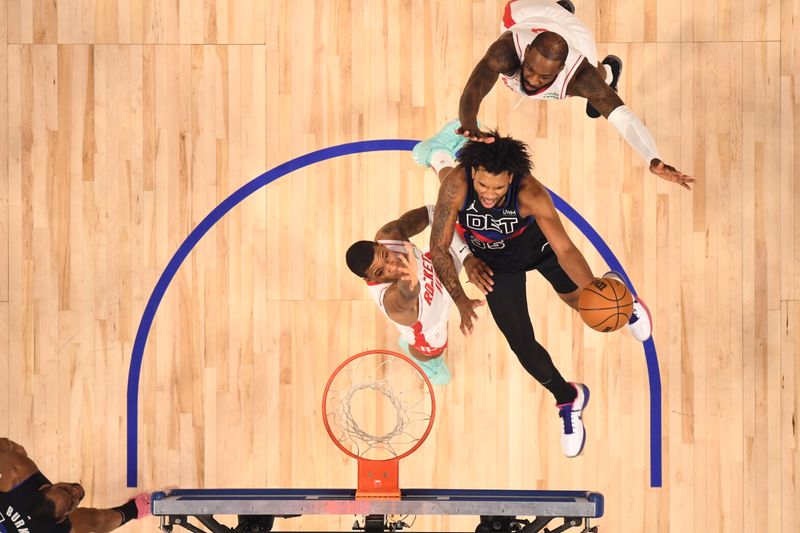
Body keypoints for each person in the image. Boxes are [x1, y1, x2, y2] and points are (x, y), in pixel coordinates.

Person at [413, 123, 652, 457]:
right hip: (495, 265)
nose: (489, 193)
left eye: (497, 187)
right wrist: (462, 294)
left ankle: (619, 297)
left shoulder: (531, 193)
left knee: (583, 302)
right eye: (482, 183)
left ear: (511, 177)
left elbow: (566, 250)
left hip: (538, 249)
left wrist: (594, 290)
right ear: (472, 171)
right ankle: (568, 398)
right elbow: (438, 247)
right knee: (521, 344)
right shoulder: (456, 185)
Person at [455, 0, 694, 189]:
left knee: (599, 80)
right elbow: (474, 88)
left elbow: (623, 117)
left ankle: (611, 71)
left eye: (544, 77)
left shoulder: (580, 75)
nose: (532, 80)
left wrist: (652, 158)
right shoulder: (504, 53)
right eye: (529, 69)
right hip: (528, 15)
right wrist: (468, 122)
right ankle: (560, 8)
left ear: (561, 69)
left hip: (572, 32)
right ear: (526, 52)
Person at [345, 200, 483, 385]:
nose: (392, 267)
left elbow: (434, 212)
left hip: (436, 269)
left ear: (382, 245)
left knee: (464, 233)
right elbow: (406, 294)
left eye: (386, 256)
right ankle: (423, 359)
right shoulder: (392, 303)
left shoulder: (390, 235)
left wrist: (466, 257)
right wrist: (410, 281)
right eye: (380, 272)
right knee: (436, 350)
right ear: (370, 279)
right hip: (429, 325)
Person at [0, 438, 151, 533]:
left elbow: (4, 445)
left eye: (65, 489)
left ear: (44, 487)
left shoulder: (17, 469)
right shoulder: (64, 529)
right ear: (61, 519)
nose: (75, 492)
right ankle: (134, 510)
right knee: (94, 519)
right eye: (72, 502)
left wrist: (16, 450)